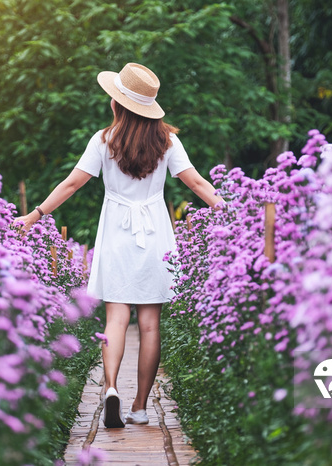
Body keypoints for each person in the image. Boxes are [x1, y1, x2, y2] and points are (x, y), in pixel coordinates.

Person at [14, 63, 223, 428]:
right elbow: (197, 184)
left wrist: (34, 215)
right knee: (150, 324)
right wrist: (235, 213)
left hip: (115, 232)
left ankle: (111, 388)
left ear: (118, 104)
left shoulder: (103, 140)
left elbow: (71, 184)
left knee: (116, 316)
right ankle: (140, 407)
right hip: (155, 232)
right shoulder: (168, 141)